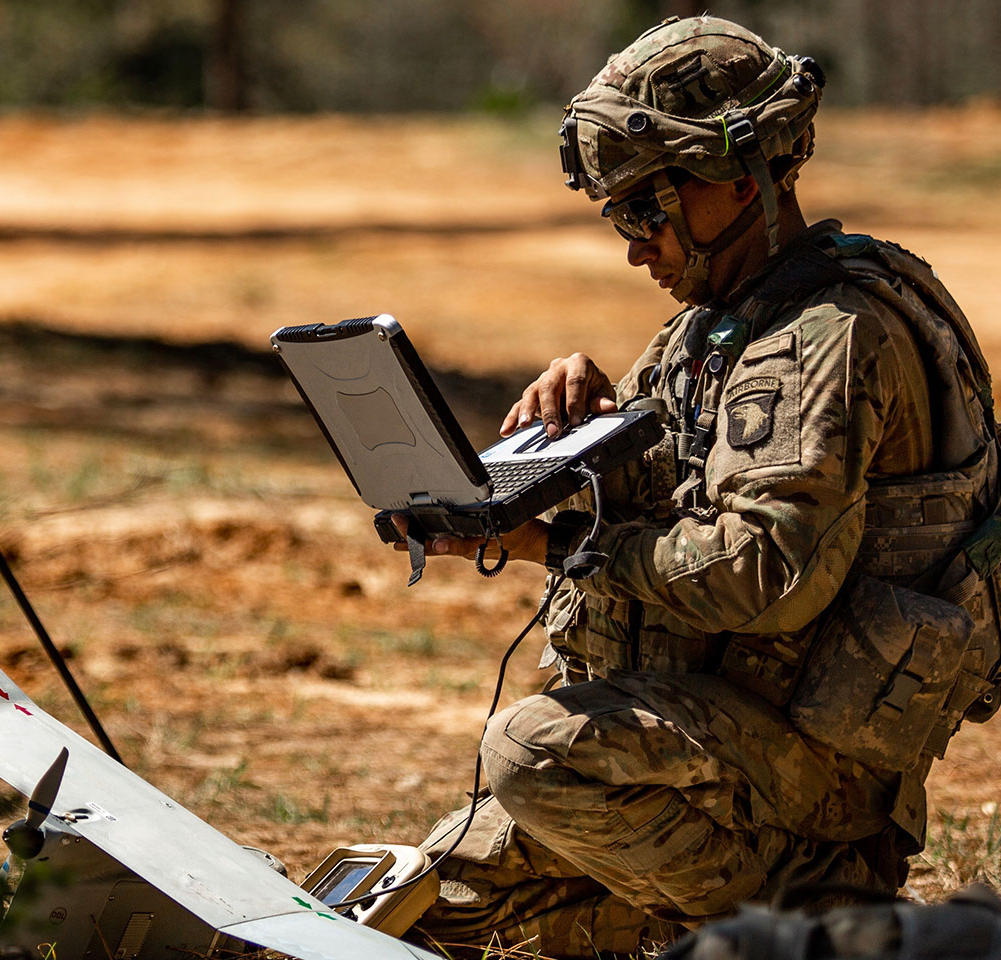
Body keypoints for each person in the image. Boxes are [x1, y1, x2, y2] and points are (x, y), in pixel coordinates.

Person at [396, 15, 1001, 960]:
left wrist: (553, 547)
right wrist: (586, 421)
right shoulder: (723, 324)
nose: (637, 247)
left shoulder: (826, 336)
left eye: (648, 208)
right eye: (618, 217)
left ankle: (796, 929)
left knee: (529, 756)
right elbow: (677, 480)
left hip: (807, 793)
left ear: (734, 179)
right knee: (419, 905)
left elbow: (761, 576)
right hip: (702, 755)